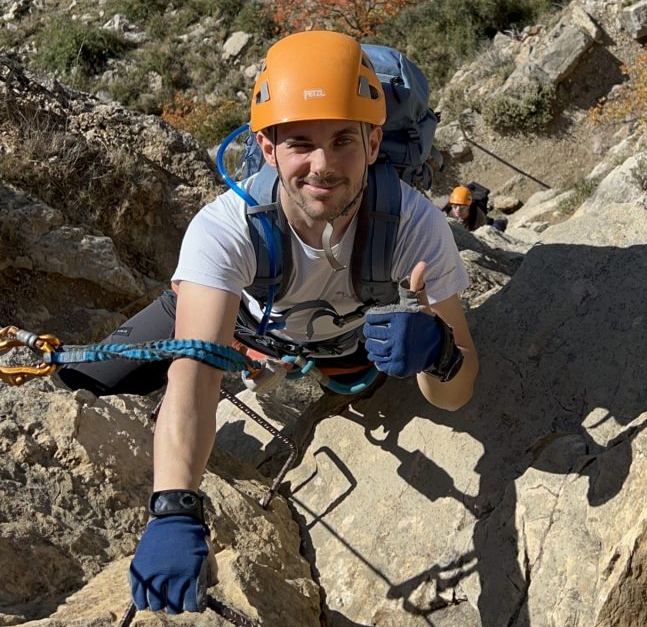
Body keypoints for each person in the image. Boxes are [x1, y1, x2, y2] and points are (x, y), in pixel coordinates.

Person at [57, 30, 479, 616]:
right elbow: (196, 371)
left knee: (351, 371)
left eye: (342, 142)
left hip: (345, 352)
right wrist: (175, 507)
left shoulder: (413, 225)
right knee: (84, 381)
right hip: (242, 326)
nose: (323, 166)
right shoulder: (227, 226)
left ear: (375, 141)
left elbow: (456, 396)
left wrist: (439, 352)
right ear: (268, 147)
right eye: (301, 143)